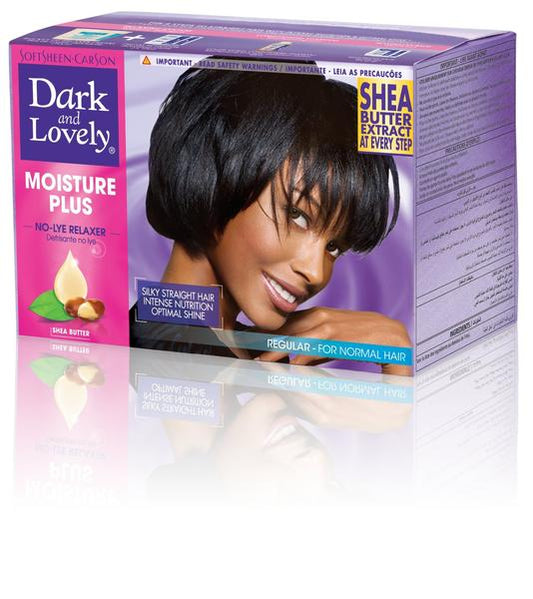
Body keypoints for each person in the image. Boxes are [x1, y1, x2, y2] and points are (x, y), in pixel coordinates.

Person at [130, 62, 412, 374]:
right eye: (298, 216)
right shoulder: (179, 361)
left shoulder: (239, 351)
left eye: (333, 247)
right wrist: (397, 358)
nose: (315, 272)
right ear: (214, 174)